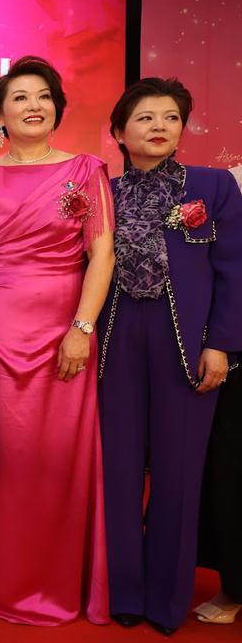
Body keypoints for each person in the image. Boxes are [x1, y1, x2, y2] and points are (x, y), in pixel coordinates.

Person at [0, 56, 115, 626]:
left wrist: (82, 328)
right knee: (0, 456)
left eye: (43, 95)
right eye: (19, 98)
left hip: (65, 332)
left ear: (57, 107)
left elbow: (102, 254)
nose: (33, 105)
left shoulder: (87, 170)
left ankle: (56, 581)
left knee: (57, 458)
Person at [98, 77, 242, 635]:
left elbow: (234, 271)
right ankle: (124, 591)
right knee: (119, 467)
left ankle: (166, 599)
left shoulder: (213, 186)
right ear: (119, 132)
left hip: (186, 339)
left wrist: (221, 344)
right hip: (116, 338)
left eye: (171, 117)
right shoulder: (103, 189)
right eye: (145, 117)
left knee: (179, 473)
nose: (159, 126)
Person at [194, 164, 242, 628]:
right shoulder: (227, 182)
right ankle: (234, 585)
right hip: (233, 338)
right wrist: (222, 341)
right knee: (229, 466)